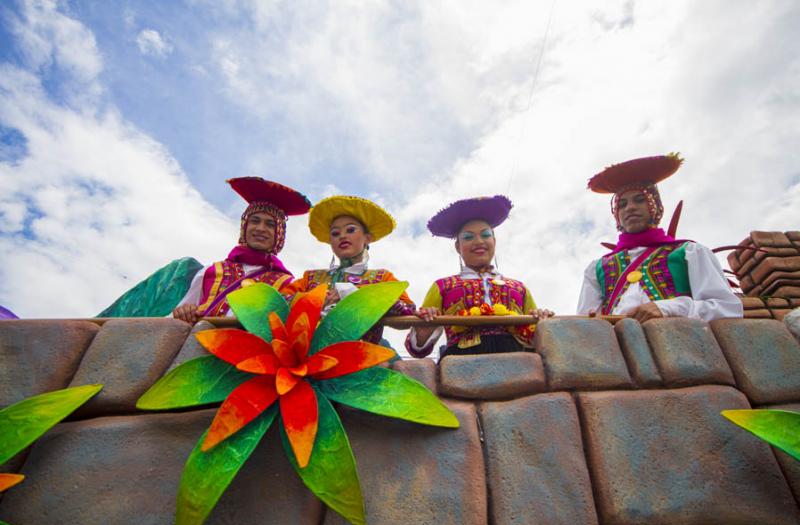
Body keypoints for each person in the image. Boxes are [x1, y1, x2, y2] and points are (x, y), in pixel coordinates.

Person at [576, 153, 743, 322]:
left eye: (639, 200)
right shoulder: (596, 269)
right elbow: (585, 324)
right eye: (622, 204)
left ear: (655, 206)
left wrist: (667, 308)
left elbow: (726, 307)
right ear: (616, 215)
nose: (630, 208)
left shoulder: (690, 252)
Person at [406, 195, 553, 359]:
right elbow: (417, 350)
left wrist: (542, 320)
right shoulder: (442, 286)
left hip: (517, 359)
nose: (478, 241)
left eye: (485, 235)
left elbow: (536, 339)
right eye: (468, 237)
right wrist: (425, 324)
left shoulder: (519, 288)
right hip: (462, 361)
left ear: (494, 241)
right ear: (458, 247)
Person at [172, 177, 311, 324]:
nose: (260, 228)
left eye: (270, 224)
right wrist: (184, 312)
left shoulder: (286, 284)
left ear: (279, 234)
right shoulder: (211, 271)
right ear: (244, 226)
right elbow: (179, 317)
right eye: (255, 221)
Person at [283, 195, 416, 344]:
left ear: (367, 238)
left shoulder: (383, 278)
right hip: (308, 359)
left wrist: (351, 294)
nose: (342, 236)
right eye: (335, 233)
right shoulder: (311, 277)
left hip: (364, 359)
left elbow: (408, 312)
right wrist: (315, 299)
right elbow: (279, 303)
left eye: (350, 230)